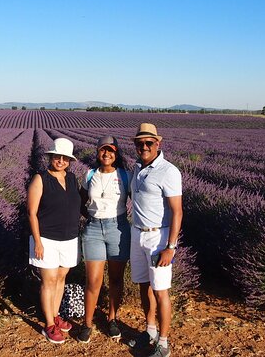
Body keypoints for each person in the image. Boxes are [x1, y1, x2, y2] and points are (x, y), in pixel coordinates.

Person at [128, 123, 182, 357]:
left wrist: (170, 247)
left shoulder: (169, 171)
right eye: (140, 143)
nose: (144, 147)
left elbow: (178, 211)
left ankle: (163, 343)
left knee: (161, 291)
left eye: (149, 143)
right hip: (137, 234)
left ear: (158, 144)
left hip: (158, 237)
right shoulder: (137, 169)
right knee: (143, 287)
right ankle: (149, 331)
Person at [27, 137, 83, 344]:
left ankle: (56, 314)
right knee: (48, 280)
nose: (60, 161)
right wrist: (38, 242)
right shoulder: (40, 179)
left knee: (61, 278)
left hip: (69, 238)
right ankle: (49, 324)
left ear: (69, 161)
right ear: (50, 157)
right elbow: (32, 213)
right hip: (47, 238)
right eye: (57, 157)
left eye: (65, 158)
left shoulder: (72, 179)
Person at [77, 135, 131, 344]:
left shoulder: (125, 175)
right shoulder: (90, 174)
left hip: (118, 228)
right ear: (97, 152)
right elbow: (81, 200)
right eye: (103, 150)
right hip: (93, 229)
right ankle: (87, 323)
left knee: (116, 279)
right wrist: (89, 217)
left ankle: (112, 319)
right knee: (93, 280)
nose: (106, 154)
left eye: (111, 150)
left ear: (116, 153)